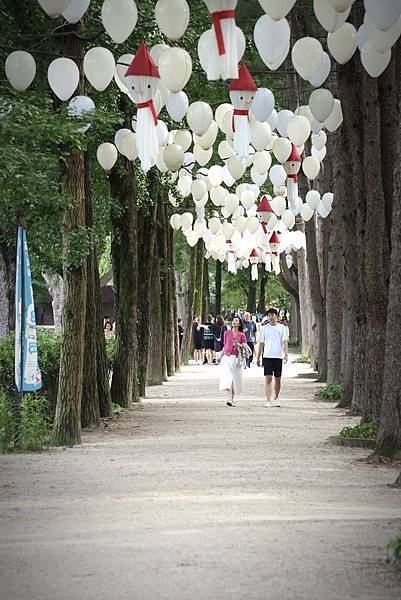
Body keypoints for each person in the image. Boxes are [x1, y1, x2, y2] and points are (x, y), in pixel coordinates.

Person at [257, 307, 289, 407]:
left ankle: (276, 398)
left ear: (276, 316)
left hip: (278, 356)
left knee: (278, 378)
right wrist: (258, 357)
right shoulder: (264, 328)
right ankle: (268, 399)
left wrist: (286, 354)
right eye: (269, 315)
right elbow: (261, 343)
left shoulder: (282, 328)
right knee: (268, 378)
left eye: (272, 315)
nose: (270, 317)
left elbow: (284, 342)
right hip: (267, 356)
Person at [219, 317, 247, 407]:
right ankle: (229, 398)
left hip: (236, 358)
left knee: (234, 379)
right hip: (227, 357)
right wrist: (220, 356)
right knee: (228, 377)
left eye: (236, 321)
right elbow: (225, 345)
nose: (234, 322)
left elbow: (245, 347)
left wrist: (239, 345)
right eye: (234, 320)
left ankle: (231, 399)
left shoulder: (242, 335)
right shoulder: (226, 333)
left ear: (239, 324)